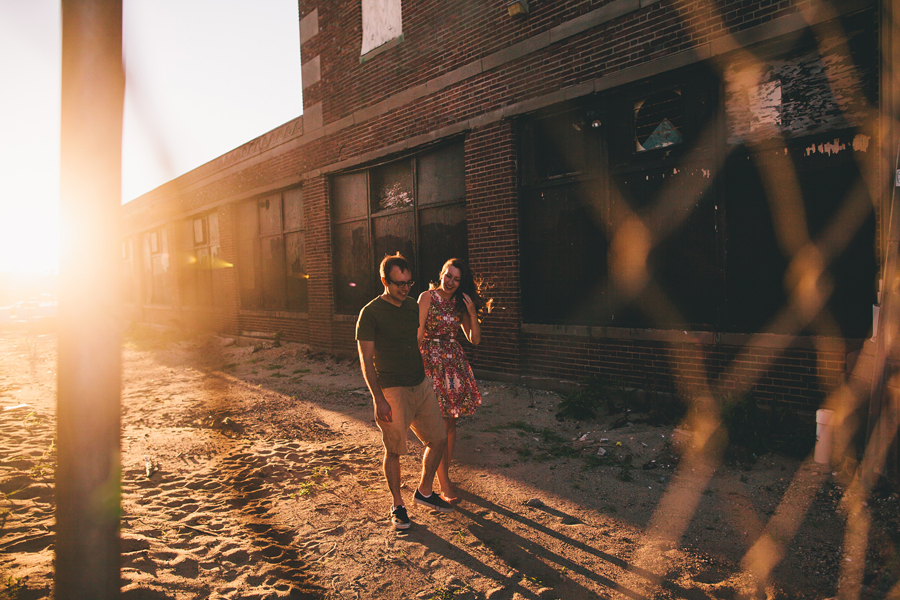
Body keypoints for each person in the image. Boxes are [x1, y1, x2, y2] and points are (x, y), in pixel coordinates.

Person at [356, 253, 455, 530]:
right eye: (399, 283)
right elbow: (366, 360)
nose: (405, 288)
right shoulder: (370, 313)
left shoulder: (412, 306)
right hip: (392, 390)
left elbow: (413, 344)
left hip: (420, 384)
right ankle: (397, 505)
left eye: (409, 282)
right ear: (384, 281)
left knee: (438, 439)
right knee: (395, 449)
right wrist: (379, 399)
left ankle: (424, 492)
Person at [417, 258, 491, 502]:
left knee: (450, 425)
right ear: (441, 273)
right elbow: (418, 334)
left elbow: (475, 339)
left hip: (452, 365)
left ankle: (443, 477)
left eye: (456, 279)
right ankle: (444, 482)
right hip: (430, 363)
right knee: (437, 425)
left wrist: (471, 312)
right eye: (448, 276)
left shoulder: (460, 303)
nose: (450, 282)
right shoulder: (427, 297)